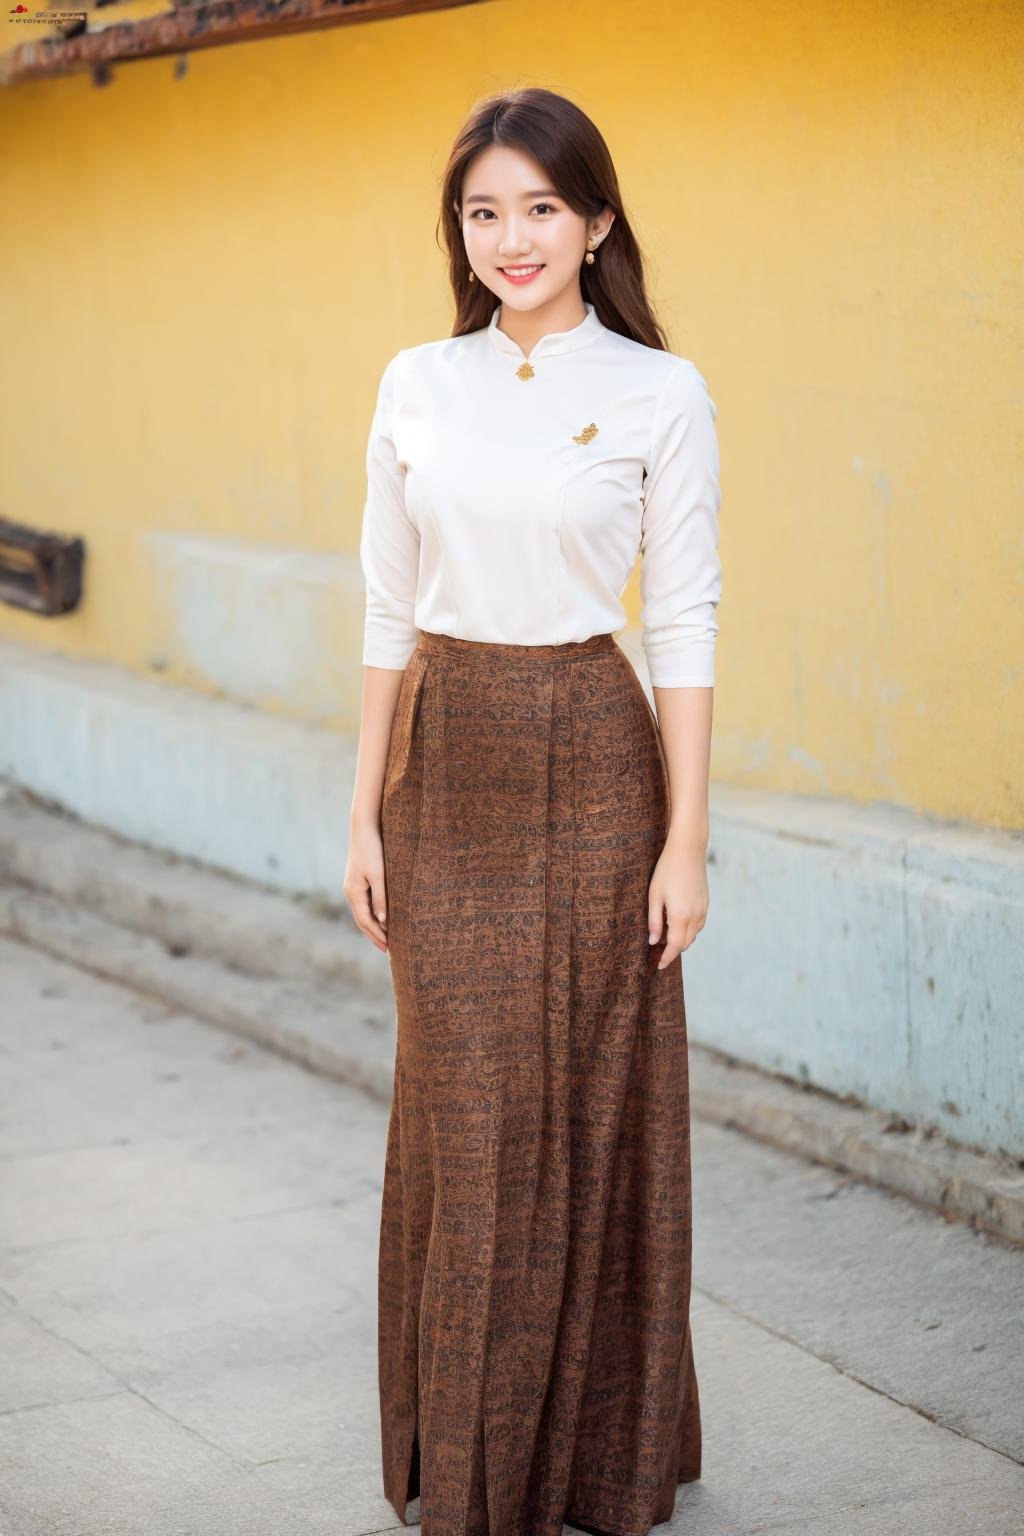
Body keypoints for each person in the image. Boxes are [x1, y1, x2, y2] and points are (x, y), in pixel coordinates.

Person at [344, 84, 722, 1536]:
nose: (513, 237)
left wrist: (687, 839)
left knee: (594, 1103)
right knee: (468, 1107)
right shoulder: (415, 384)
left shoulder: (656, 392)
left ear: (597, 221)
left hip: (595, 752)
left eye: (542, 208)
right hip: (446, 761)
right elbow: (388, 606)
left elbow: (681, 619)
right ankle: (473, 1457)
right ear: (461, 228)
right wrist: (367, 809)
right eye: (485, 210)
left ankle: (591, 1457)